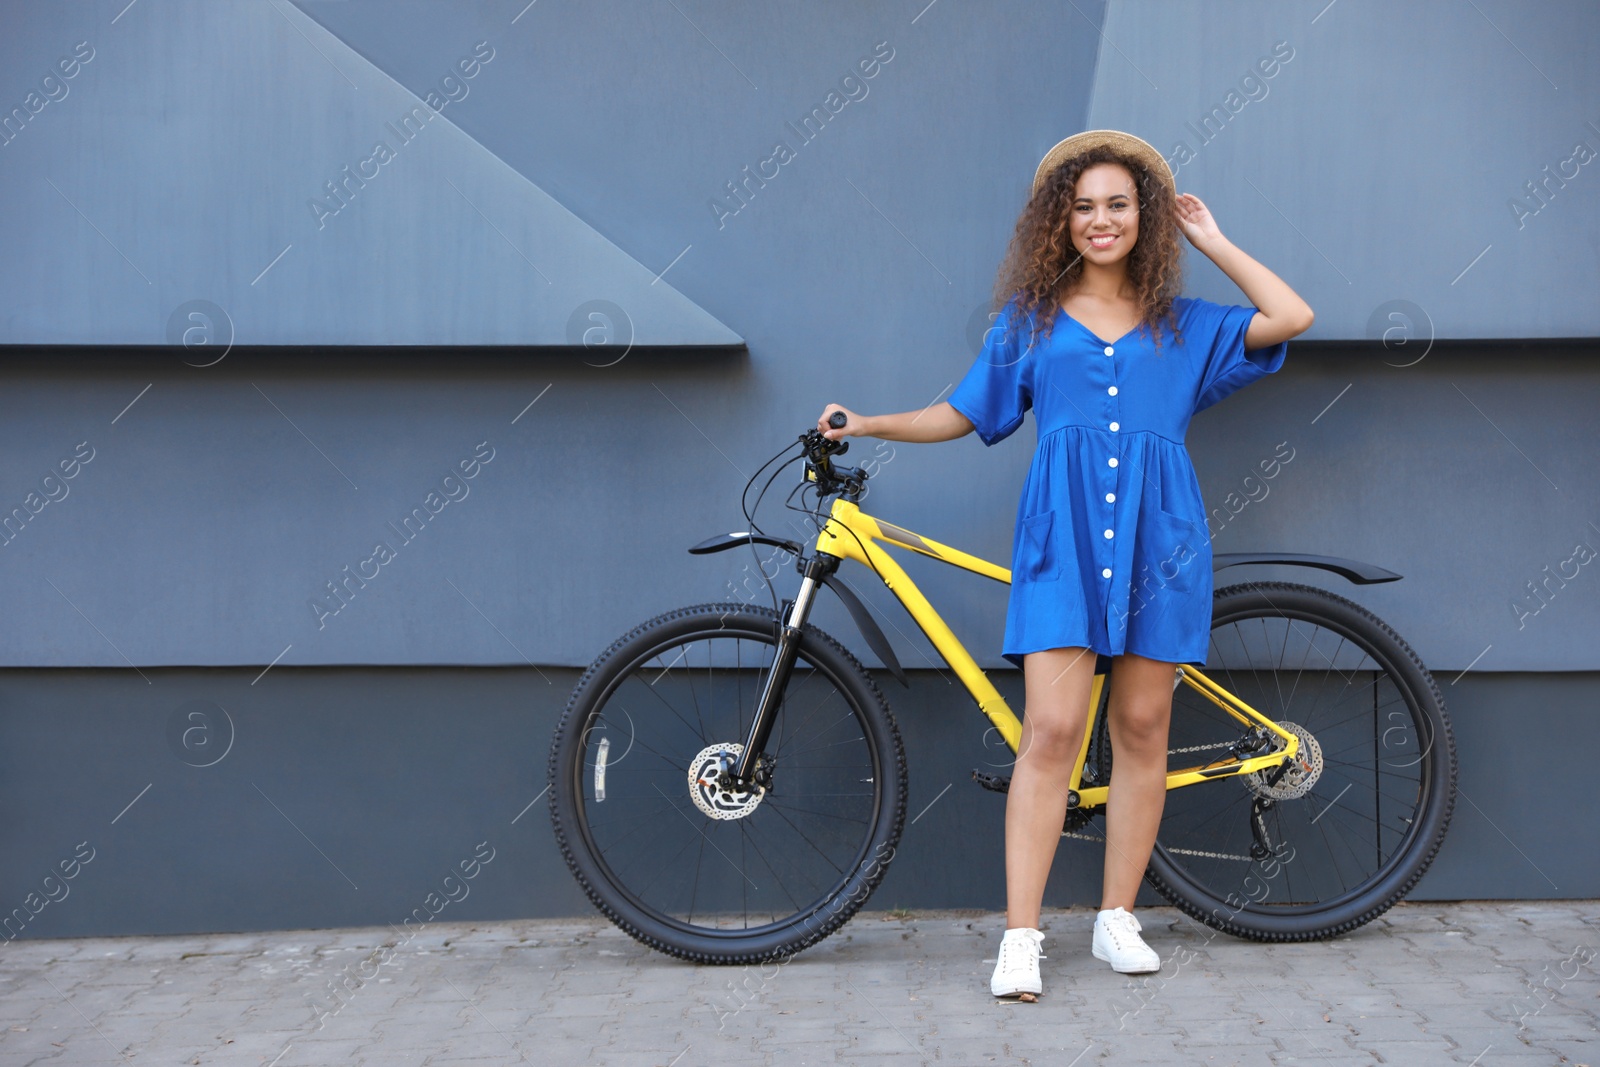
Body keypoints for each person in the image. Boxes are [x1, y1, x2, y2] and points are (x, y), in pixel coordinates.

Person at [816, 129, 1314, 1001]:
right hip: (1061, 542)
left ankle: (1118, 919)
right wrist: (868, 422)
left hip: (1163, 544)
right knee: (1049, 732)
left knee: (1142, 731)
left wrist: (1215, 242)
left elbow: (1291, 316)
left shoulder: (1185, 324)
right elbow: (961, 414)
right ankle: (1020, 937)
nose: (1100, 220)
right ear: (1062, 220)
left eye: (1118, 204)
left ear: (1144, 217)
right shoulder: (1030, 322)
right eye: (1083, 206)